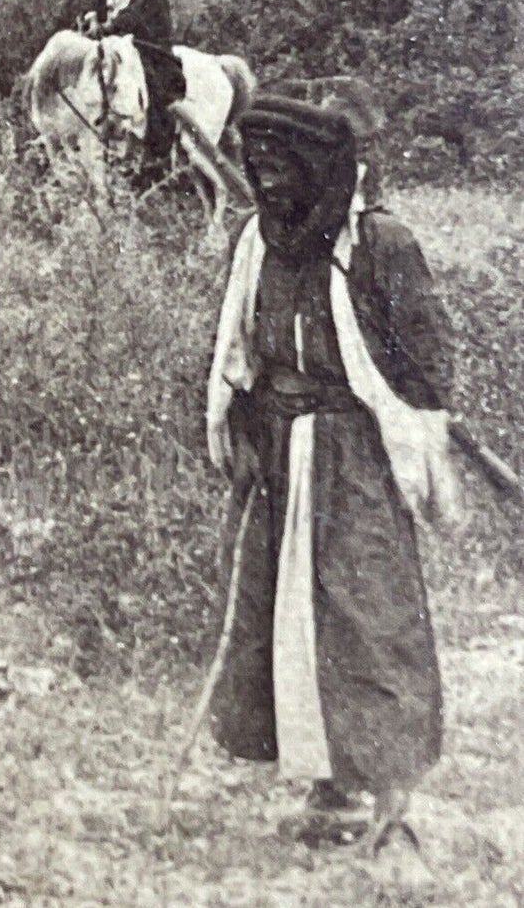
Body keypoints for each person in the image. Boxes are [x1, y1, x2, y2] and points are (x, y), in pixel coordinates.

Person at [204, 95, 460, 861]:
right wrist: (243, 425)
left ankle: (389, 795)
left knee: (366, 618)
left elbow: (427, 362)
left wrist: (410, 435)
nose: (269, 182)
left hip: (353, 458)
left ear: (320, 168)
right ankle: (329, 785)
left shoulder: (378, 241)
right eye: (259, 168)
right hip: (279, 451)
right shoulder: (260, 239)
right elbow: (241, 345)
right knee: (283, 619)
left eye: (283, 168)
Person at [78, 0, 188, 176]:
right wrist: (92, 17)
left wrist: (109, 27)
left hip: (144, 41)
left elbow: (139, 12)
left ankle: (154, 149)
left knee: (151, 86)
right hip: (110, 39)